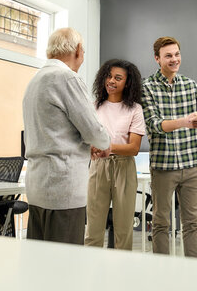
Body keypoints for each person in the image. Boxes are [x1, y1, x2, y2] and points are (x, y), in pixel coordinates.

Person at [22, 27, 110, 245]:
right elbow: (94, 130)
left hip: (37, 188)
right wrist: (104, 144)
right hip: (63, 190)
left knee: (40, 265)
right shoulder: (67, 78)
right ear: (79, 50)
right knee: (65, 269)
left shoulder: (34, 81)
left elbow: (53, 131)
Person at [141, 36, 197, 257]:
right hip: (163, 165)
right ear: (157, 59)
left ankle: (192, 271)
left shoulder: (190, 85)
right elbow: (153, 124)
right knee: (161, 222)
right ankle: (163, 273)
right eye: (168, 56)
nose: (174, 59)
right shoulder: (147, 87)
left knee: (192, 222)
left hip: (192, 164)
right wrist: (184, 121)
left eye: (177, 54)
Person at [85, 59, 145, 250]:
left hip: (124, 168)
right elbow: (85, 139)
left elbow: (134, 148)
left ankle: (121, 275)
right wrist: (91, 148)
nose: (111, 81)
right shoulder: (94, 107)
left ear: (127, 83)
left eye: (118, 78)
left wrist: (107, 147)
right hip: (98, 167)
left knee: (123, 231)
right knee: (93, 229)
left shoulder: (135, 109)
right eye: (109, 76)